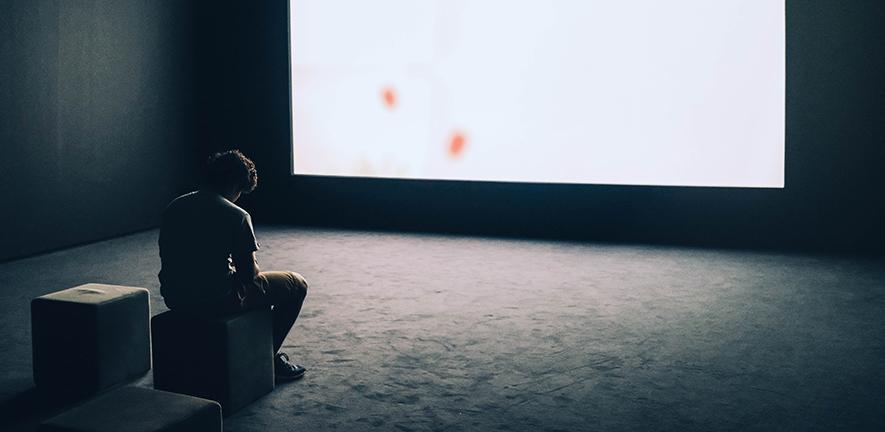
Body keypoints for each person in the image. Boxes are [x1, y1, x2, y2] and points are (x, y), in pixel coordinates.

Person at [158, 149, 308, 381]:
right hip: (216, 300)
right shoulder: (236, 215)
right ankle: (267, 357)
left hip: (175, 297)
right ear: (235, 184)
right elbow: (249, 275)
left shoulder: (174, 206)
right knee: (296, 284)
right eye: (240, 190)